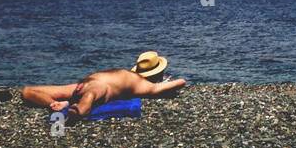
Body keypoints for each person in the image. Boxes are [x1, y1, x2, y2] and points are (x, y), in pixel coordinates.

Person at [21, 51, 185, 118]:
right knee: (89, 98)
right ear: (156, 73)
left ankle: (54, 104)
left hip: (83, 84)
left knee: (28, 91)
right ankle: (72, 110)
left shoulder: (127, 74)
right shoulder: (142, 84)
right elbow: (180, 82)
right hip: (97, 87)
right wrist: (170, 82)